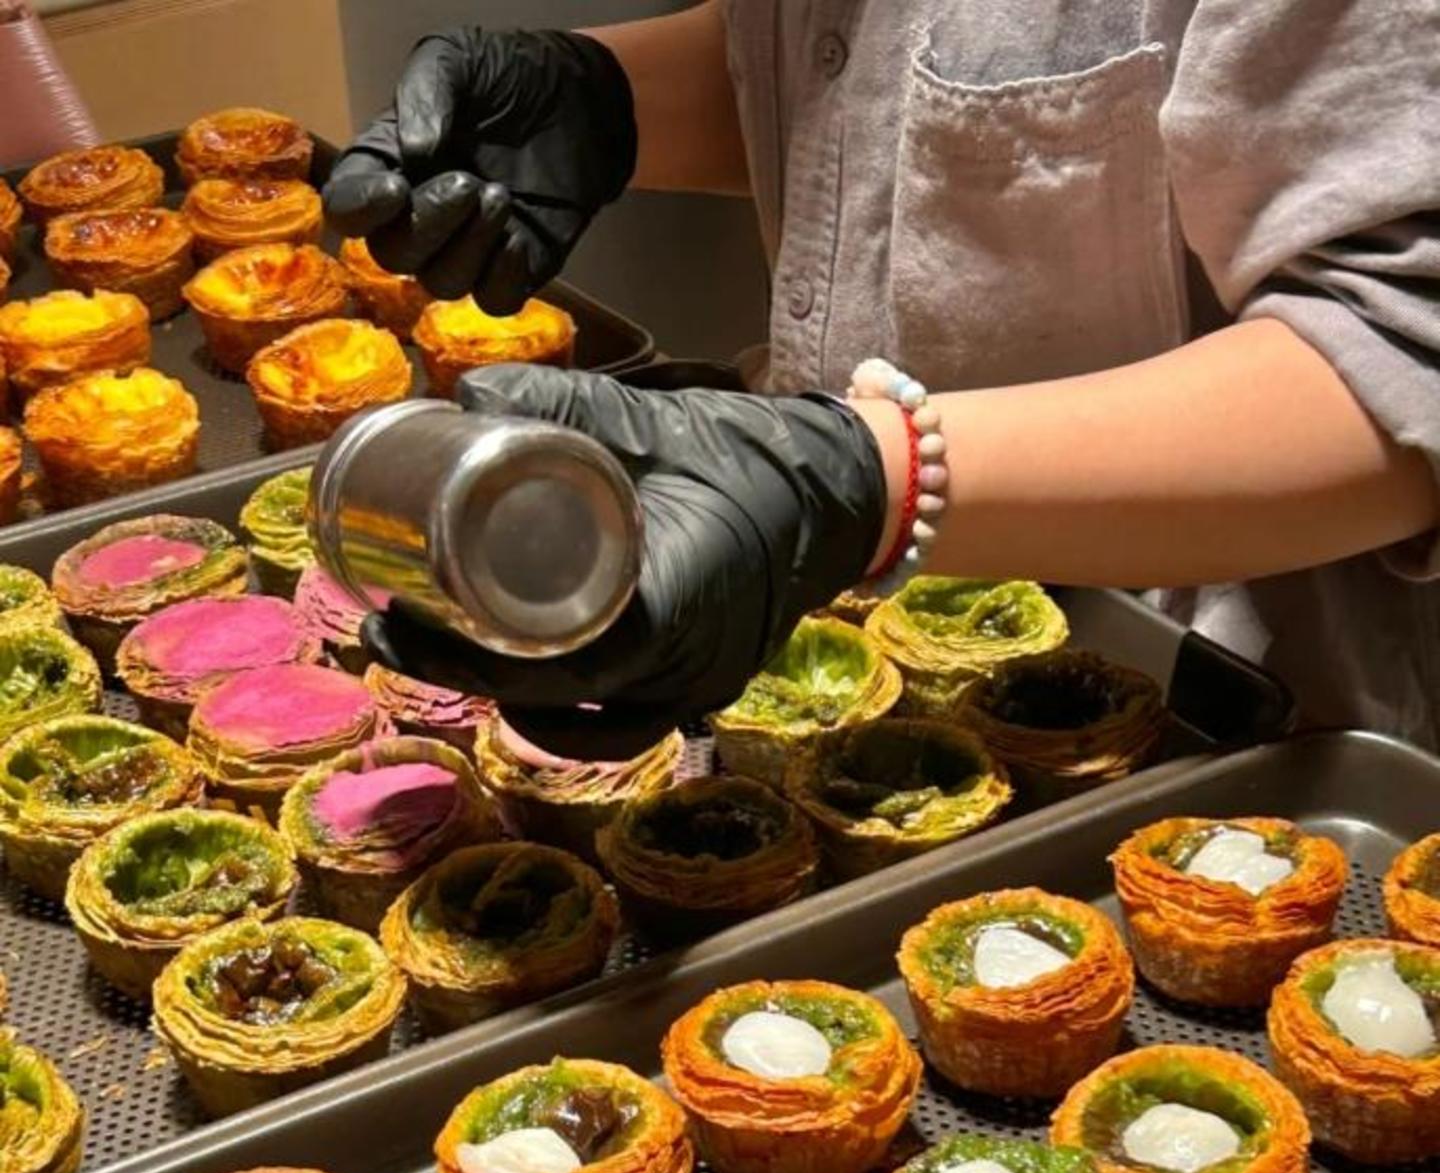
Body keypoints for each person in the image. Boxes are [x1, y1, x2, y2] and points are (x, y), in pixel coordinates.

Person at [326, 2, 1440, 758]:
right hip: (836, 625)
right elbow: (902, 84)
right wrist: (606, 102)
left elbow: (1397, 357)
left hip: (1219, 730)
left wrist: (866, 479)